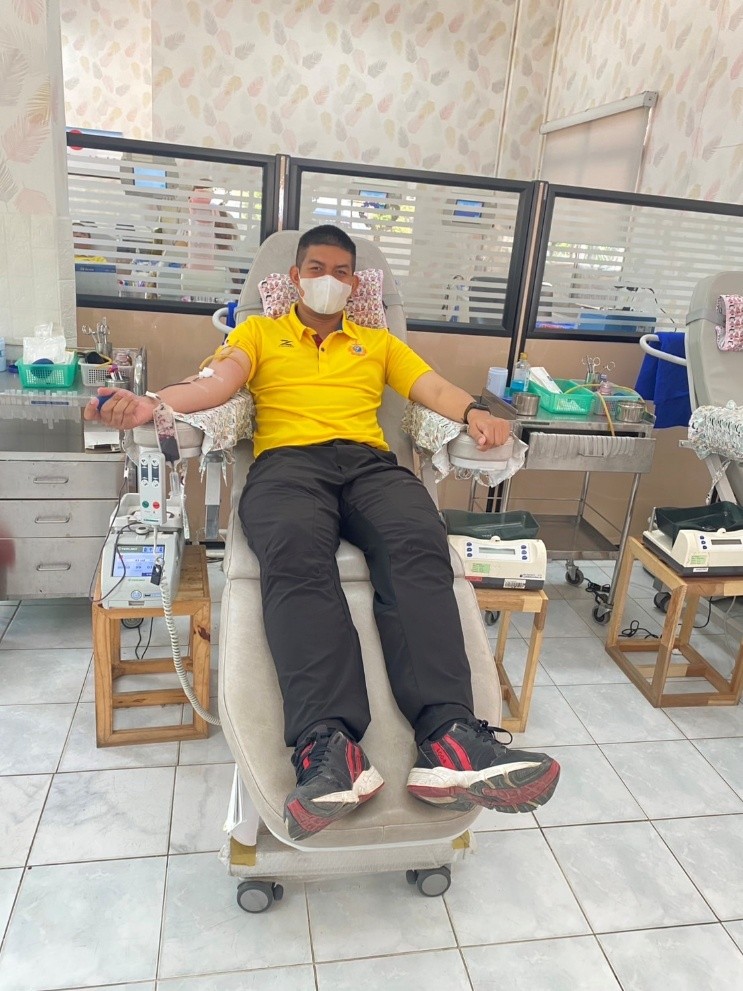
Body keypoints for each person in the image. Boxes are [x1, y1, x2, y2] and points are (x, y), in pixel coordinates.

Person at [85, 225, 560, 841]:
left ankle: (450, 740)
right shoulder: (259, 333)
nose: (328, 280)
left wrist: (475, 412)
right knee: (295, 555)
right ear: (295, 277)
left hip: (368, 465)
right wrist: (155, 403)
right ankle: (329, 747)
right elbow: (214, 384)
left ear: (355, 283)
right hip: (287, 466)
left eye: (340, 271)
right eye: (316, 269)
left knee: (419, 543)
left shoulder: (377, 342)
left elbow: (433, 388)